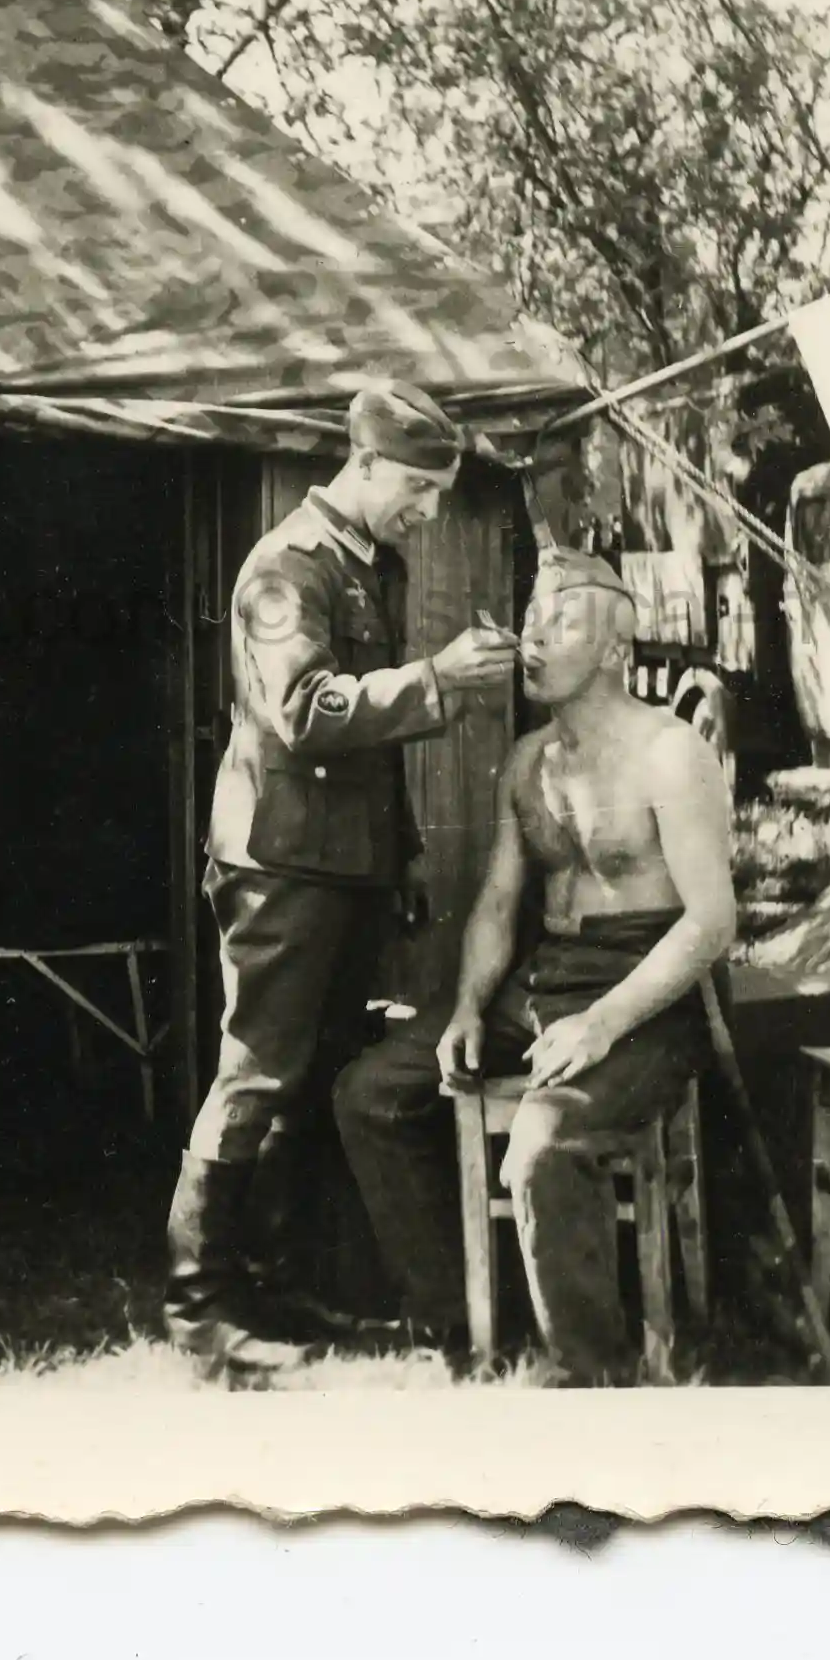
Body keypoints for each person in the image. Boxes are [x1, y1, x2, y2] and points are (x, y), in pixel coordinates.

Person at [167, 379, 522, 1373]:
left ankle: (275, 1288)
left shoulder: (372, 563)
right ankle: (198, 1308)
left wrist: (394, 855)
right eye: (416, 486)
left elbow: (369, 752)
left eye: (439, 491)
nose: (429, 510)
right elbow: (307, 712)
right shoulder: (285, 568)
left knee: (310, 1077)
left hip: (343, 865)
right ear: (362, 462)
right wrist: (438, 680)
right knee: (255, 1074)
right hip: (281, 866)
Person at [334, 551, 737, 1384]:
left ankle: (591, 1375)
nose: (534, 636)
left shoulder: (670, 752)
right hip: (546, 977)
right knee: (370, 1092)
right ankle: (461, 1321)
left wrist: (603, 1021)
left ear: (616, 647)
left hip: (649, 988)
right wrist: (467, 1007)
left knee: (542, 1147)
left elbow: (709, 921)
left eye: (561, 620)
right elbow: (496, 900)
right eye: (530, 618)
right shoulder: (528, 761)